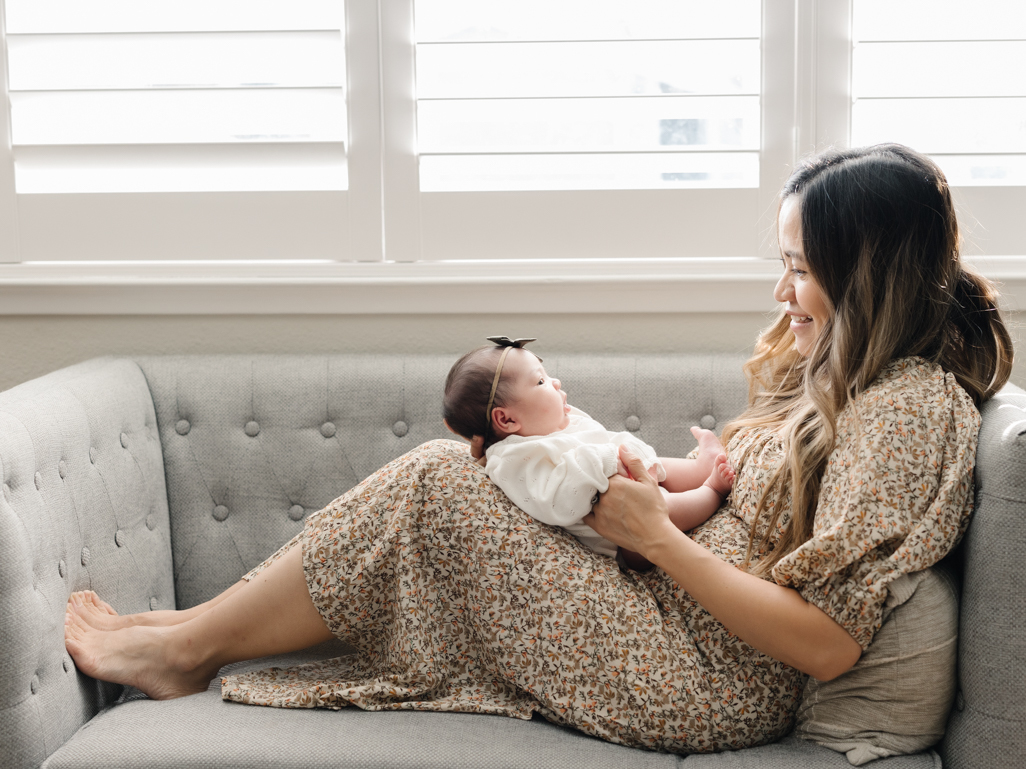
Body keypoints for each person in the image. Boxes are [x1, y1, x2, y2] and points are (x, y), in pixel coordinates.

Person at [63, 144, 1012, 755]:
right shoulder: (854, 383)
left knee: (442, 479)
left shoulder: (907, 410)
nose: (781, 293)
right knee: (455, 477)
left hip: (703, 677)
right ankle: (186, 636)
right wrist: (695, 486)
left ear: (866, 270)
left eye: (799, 270)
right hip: (664, 613)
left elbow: (831, 642)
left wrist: (667, 538)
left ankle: (184, 646)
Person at [442, 337, 734, 559]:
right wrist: (607, 459)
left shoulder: (553, 427)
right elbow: (555, 500)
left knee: (660, 466)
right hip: (626, 540)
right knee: (662, 510)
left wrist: (620, 451)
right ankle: (711, 491)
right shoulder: (512, 459)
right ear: (506, 419)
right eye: (540, 381)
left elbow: (599, 437)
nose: (555, 382)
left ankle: (700, 467)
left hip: (633, 486)